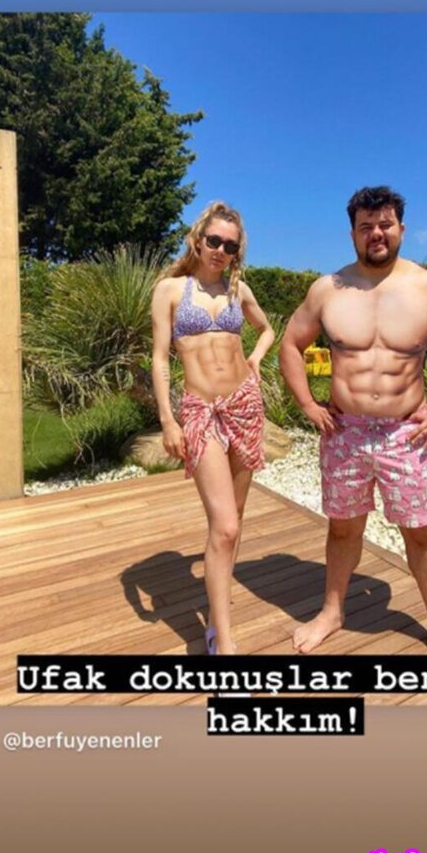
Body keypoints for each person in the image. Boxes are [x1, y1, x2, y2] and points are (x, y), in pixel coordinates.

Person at [279, 186, 427, 656]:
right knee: (343, 526)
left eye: (385, 224)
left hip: (405, 434)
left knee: (421, 531)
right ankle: (333, 611)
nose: (376, 233)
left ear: (401, 229)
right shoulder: (327, 289)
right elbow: (291, 344)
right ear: (352, 233)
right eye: (366, 226)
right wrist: (308, 404)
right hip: (344, 432)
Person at [151, 202, 275, 656]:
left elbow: (267, 329)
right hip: (201, 411)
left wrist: (256, 358)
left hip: (244, 405)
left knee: (233, 523)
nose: (221, 250)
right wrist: (168, 419)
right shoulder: (170, 290)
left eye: (231, 245)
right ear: (198, 239)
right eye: (215, 240)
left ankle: (217, 607)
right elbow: (159, 358)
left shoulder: (238, 290)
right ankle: (223, 643)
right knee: (223, 526)